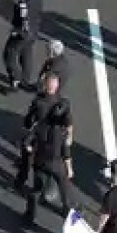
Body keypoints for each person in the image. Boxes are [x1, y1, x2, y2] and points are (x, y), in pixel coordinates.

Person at [15, 75, 74, 225]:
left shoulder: (39, 116)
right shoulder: (60, 126)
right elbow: (66, 150)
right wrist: (69, 167)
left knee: (37, 189)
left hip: (40, 161)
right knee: (64, 185)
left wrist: (29, 148)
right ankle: (68, 210)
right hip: (56, 163)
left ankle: (30, 216)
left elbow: (28, 134)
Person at [1, 0, 40, 92]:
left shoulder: (23, 2)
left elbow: (24, 19)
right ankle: (25, 80)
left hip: (22, 33)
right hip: (34, 31)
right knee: (26, 54)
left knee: (9, 54)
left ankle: (16, 80)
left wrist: (17, 31)